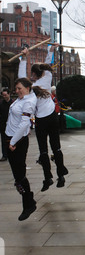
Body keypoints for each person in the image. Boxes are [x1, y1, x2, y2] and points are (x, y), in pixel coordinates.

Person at [19, 45, 68, 192]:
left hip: (41, 119)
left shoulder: (31, 88)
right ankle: (61, 174)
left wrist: (23, 58)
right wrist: (50, 50)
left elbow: (21, 79)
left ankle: (48, 177)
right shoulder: (47, 79)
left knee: (43, 151)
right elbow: (47, 65)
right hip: (52, 117)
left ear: (34, 74)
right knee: (56, 147)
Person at [5, 76, 37, 221]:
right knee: (17, 175)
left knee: (19, 175)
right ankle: (29, 203)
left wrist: (13, 141)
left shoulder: (29, 101)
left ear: (27, 88)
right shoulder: (22, 98)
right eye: (16, 88)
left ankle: (28, 205)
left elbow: (25, 124)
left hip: (17, 141)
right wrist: (24, 58)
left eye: (20, 89)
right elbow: (22, 74)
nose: (17, 91)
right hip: (11, 138)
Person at [0, 88, 13, 161]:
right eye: (3, 95)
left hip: (11, 124)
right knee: (4, 140)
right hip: (3, 125)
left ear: (9, 94)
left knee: (11, 139)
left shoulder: (13, 103)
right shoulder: (1, 104)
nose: (4, 96)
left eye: (5, 95)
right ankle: (4, 155)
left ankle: (12, 154)